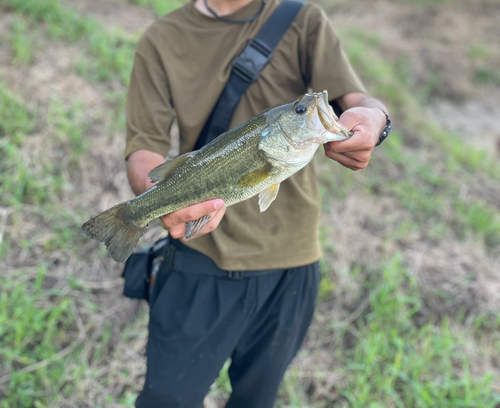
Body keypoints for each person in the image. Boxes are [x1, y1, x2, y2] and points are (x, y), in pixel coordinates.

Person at [125, 0, 389, 407]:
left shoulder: (303, 19)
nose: (314, 109)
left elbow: (360, 101)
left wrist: (376, 121)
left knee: (257, 399)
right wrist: (157, 200)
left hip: (293, 264)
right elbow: (145, 148)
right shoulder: (161, 39)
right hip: (200, 259)